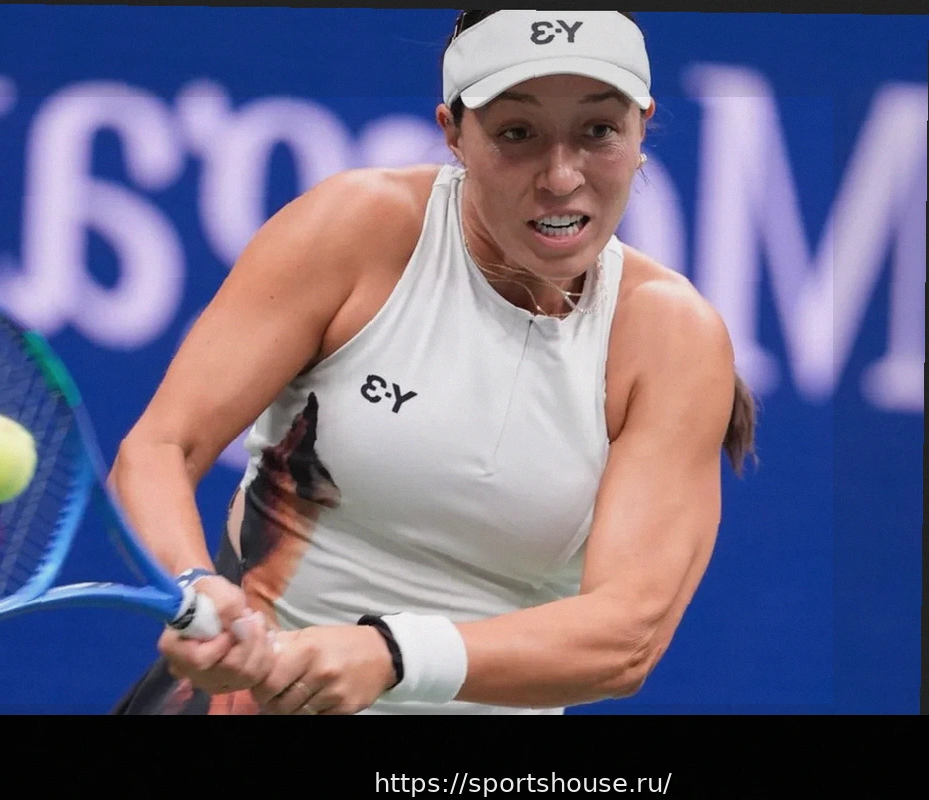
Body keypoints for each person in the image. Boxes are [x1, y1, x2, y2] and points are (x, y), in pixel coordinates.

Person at [110, 9, 756, 715]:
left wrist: (393, 655)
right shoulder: (357, 228)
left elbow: (627, 636)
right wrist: (193, 589)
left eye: (598, 131)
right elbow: (161, 448)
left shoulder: (673, 337)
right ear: (454, 133)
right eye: (517, 133)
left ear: (640, 130)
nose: (561, 176)